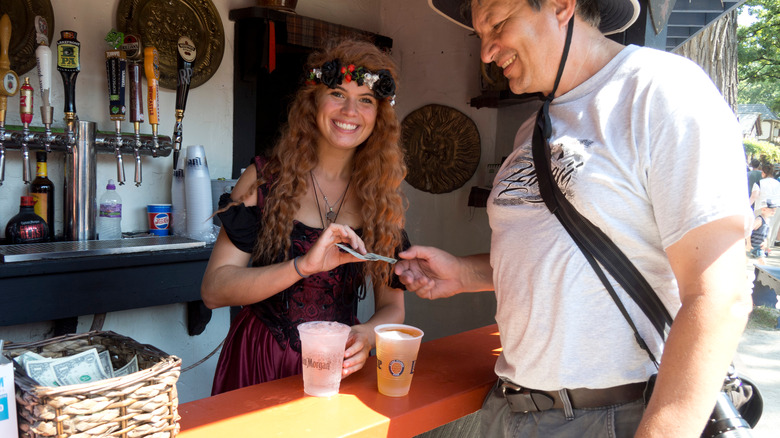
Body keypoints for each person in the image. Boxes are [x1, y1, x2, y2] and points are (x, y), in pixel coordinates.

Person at [397, 0, 752, 437]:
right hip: (511, 408)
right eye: (480, 36)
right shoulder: (534, 127)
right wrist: (463, 273)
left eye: (498, 24)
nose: (487, 52)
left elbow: (719, 295)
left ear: (562, 5)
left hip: (613, 415)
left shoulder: (661, 90)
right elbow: (557, 257)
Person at [202, 39, 408, 395]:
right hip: (260, 358)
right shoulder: (265, 179)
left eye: (366, 100)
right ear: (314, 101)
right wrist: (303, 266)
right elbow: (214, 290)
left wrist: (367, 333)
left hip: (337, 363)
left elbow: (392, 307)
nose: (349, 111)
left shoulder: (380, 197)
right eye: (338, 93)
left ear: (379, 115)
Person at [749, 199, 777, 264]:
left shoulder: (767, 220)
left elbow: (764, 234)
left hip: (759, 246)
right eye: (771, 209)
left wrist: (765, 242)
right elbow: (749, 231)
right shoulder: (759, 220)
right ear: (763, 209)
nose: (773, 211)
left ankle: (757, 273)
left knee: (762, 262)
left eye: (775, 210)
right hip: (753, 245)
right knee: (762, 262)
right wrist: (748, 243)